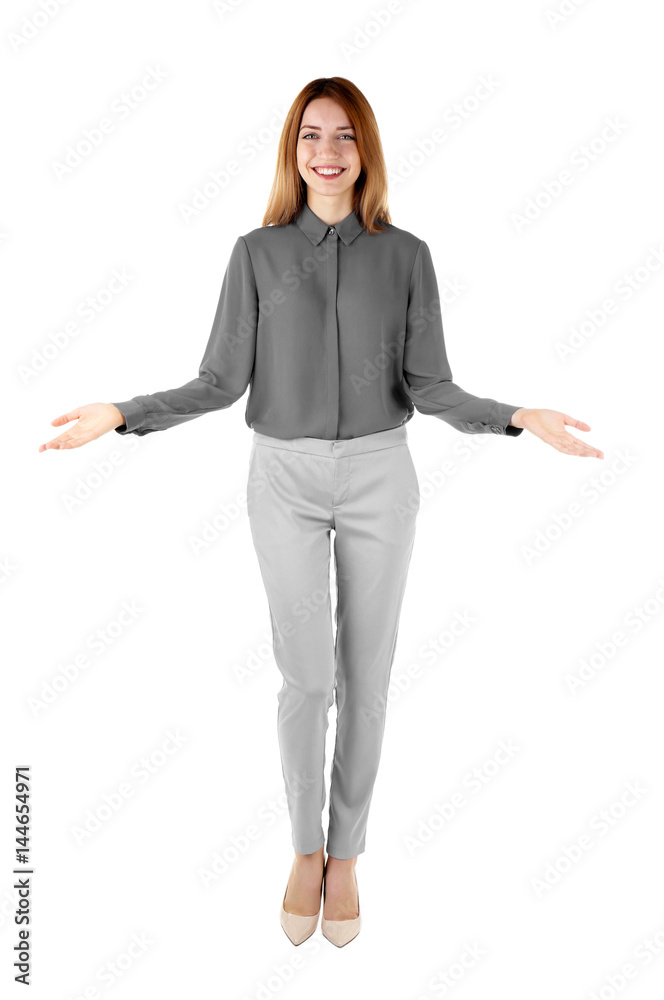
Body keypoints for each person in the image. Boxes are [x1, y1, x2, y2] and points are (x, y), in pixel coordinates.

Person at [39, 76, 603, 948]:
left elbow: (429, 384)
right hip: (285, 480)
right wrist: (122, 412)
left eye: (344, 136)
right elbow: (219, 382)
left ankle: (350, 856)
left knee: (367, 680)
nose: (327, 151)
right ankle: (306, 849)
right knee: (307, 680)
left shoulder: (406, 255)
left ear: (365, 150)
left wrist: (516, 417)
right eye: (311, 135)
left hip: (382, 476)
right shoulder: (256, 254)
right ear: (292, 150)